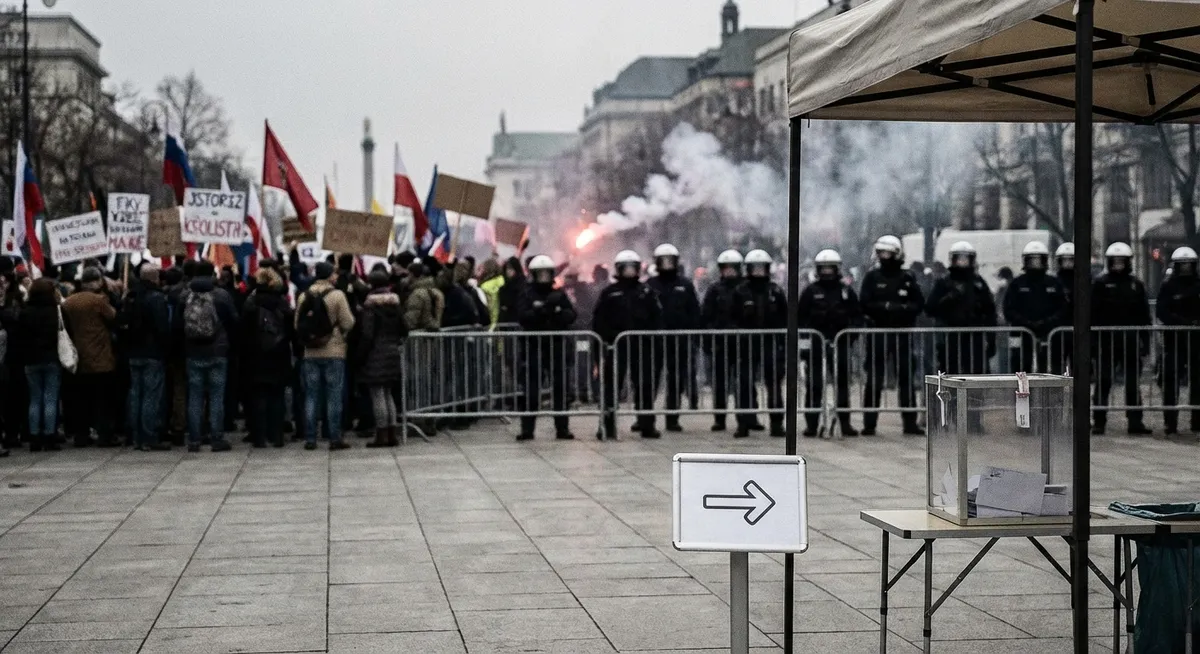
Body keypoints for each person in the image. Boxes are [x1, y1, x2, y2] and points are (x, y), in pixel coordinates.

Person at [859, 236, 925, 436]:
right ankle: (869, 423)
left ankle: (910, 422)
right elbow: (864, 303)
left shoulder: (907, 277)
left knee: (906, 379)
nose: (883, 257)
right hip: (878, 335)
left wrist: (902, 310)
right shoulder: (872, 277)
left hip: (902, 336)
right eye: (880, 253)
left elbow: (918, 303)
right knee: (874, 379)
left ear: (896, 253)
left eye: (886, 253)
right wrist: (884, 309)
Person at [593, 250, 662, 439]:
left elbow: (656, 318)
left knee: (644, 386)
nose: (630, 272)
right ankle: (607, 425)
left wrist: (651, 340)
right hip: (615, 347)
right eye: (627, 268)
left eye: (633, 268)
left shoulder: (646, 291)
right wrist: (605, 341)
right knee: (611, 388)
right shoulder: (610, 292)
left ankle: (647, 424)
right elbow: (599, 320)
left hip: (642, 347)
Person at [799, 249, 862, 437]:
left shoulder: (845, 290)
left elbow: (857, 317)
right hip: (816, 345)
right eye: (823, 269)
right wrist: (804, 348)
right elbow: (800, 320)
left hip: (840, 343)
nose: (827, 272)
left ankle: (845, 423)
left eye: (830, 268)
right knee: (814, 385)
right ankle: (811, 424)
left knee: (842, 384)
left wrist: (849, 337)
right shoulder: (810, 291)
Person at [1091, 242, 1153, 435]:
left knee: (1133, 383)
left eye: (1121, 261)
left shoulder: (1136, 284)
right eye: (1115, 262)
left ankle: (1135, 422)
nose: (1118, 265)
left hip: (1131, 341)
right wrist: (1093, 342)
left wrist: (1145, 342)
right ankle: (1099, 421)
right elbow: (1092, 313)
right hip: (1106, 342)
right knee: (1104, 381)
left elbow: (1144, 316)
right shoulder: (1100, 284)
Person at [178, 260, 239, 452]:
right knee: (216, 396)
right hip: (217, 351)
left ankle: (195, 439)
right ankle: (216, 438)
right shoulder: (221, 295)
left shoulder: (185, 295)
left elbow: (177, 324)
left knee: (195, 396)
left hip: (192, 351)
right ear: (212, 273)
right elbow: (234, 320)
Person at [296, 261, 356, 450]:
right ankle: (334, 437)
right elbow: (348, 323)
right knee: (333, 395)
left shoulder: (304, 295)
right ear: (329, 276)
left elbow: (298, 324)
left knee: (312, 395)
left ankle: (311, 438)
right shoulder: (337, 295)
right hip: (334, 351)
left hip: (311, 352)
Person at [516, 255, 577, 440]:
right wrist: (540, 311)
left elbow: (571, 315)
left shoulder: (559, 294)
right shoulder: (527, 294)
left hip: (556, 348)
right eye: (540, 274)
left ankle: (562, 428)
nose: (543, 277)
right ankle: (527, 429)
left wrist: (555, 312)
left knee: (560, 390)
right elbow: (522, 316)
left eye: (546, 273)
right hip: (533, 348)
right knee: (531, 392)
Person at [61, 267, 119, 448]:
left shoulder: (69, 302)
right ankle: (104, 435)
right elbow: (114, 317)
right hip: (100, 356)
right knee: (103, 400)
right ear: (97, 281)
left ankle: (81, 435)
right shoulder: (98, 301)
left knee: (81, 400)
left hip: (78, 356)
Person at [647, 243, 701, 432]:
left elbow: (694, 311)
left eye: (670, 261)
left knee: (675, 381)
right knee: (650, 380)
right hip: (655, 342)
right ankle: (644, 417)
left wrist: (694, 336)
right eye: (664, 261)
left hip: (679, 341)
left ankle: (672, 417)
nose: (667, 264)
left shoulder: (684, 285)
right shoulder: (650, 285)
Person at [733, 250, 787, 438]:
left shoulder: (775, 290)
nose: (758, 272)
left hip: (770, 344)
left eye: (761, 268)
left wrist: (782, 344)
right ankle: (744, 423)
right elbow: (732, 318)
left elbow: (785, 318)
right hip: (747, 345)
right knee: (745, 385)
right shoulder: (740, 291)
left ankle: (777, 423)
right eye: (754, 268)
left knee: (774, 385)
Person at [240, 268, 295, 448]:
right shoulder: (281, 303)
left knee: (258, 397)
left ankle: (259, 437)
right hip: (278, 354)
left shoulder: (250, 303)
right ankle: (277, 436)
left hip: (255, 355)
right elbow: (290, 329)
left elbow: (243, 330)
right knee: (277, 397)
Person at [119, 265, 172, 451]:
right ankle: (149, 436)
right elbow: (162, 327)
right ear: (154, 278)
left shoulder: (130, 296)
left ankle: (135, 436)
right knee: (151, 395)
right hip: (152, 353)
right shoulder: (156, 298)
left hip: (133, 352)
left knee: (135, 394)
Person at [926, 241, 997, 375]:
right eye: (959, 259)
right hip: (950, 337)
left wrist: (991, 339)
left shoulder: (978, 283)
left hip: (975, 338)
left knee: (978, 375)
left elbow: (990, 311)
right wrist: (948, 299)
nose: (962, 262)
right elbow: (930, 308)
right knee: (949, 376)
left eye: (966, 259)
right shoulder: (944, 283)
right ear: (953, 260)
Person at [356, 270, 407, 447]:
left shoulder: (370, 307)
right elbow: (404, 328)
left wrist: (360, 355)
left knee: (377, 394)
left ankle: (381, 435)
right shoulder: (395, 305)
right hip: (392, 351)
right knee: (388, 394)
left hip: (376, 353)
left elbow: (367, 334)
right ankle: (392, 433)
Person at [1003, 241, 1067, 376]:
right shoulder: (1017, 283)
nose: (1035, 264)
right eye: (1032, 260)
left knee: (1049, 369)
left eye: (1038, 260)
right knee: (1020, 368)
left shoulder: (1053, 283)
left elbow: (1062, 307)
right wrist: (1026, 323)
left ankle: (1047, 396)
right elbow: (1008, 309)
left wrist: (1047, 322)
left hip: (1049, 335)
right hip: (1021, 334)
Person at [702, 250, 747, 433]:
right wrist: (707, 340)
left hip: (742, 345)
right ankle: (719, 419)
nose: (729, 272)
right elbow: (706, 315)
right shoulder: (714, 289)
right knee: (720, 384)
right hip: (721, 345)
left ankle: (745, 419)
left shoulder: (745, 288)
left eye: (732, 269)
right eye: (726, 269)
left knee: (743, 384)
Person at [1157, 247, 1200, 435]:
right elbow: (1162, 311)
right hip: (1174, 339)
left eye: (1188, 265)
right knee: (1170, 380)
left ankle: (1197, 420)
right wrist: (1182, 323)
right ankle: (1170, 421)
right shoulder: (1168, 285)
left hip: (1196, 340)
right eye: (1181, 266)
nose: (1185, 269)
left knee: (1197, 382)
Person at [17, 279, 62, 452]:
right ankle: (50, 435)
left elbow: (20, 336)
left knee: (35, 399)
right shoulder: (55, 311)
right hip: (51, 357)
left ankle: (34, 436)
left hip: (31, 359)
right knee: (50, 398)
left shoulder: (25, 312)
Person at [1050, 242, 1076, 374]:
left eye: (1070, 260)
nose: (1067, 263)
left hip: (1078, 329)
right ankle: (1056, 394)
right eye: (1065, 260)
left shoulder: (1083, 280)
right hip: (1058, 330)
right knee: (1057, 367)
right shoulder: (1053, 281)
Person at [404, 261, 444, 331]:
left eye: (408, 274)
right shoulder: (433, 290)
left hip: (420, 332)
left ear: (412, 274)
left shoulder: (418, 294)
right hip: (430, 330)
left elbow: (411, 319)